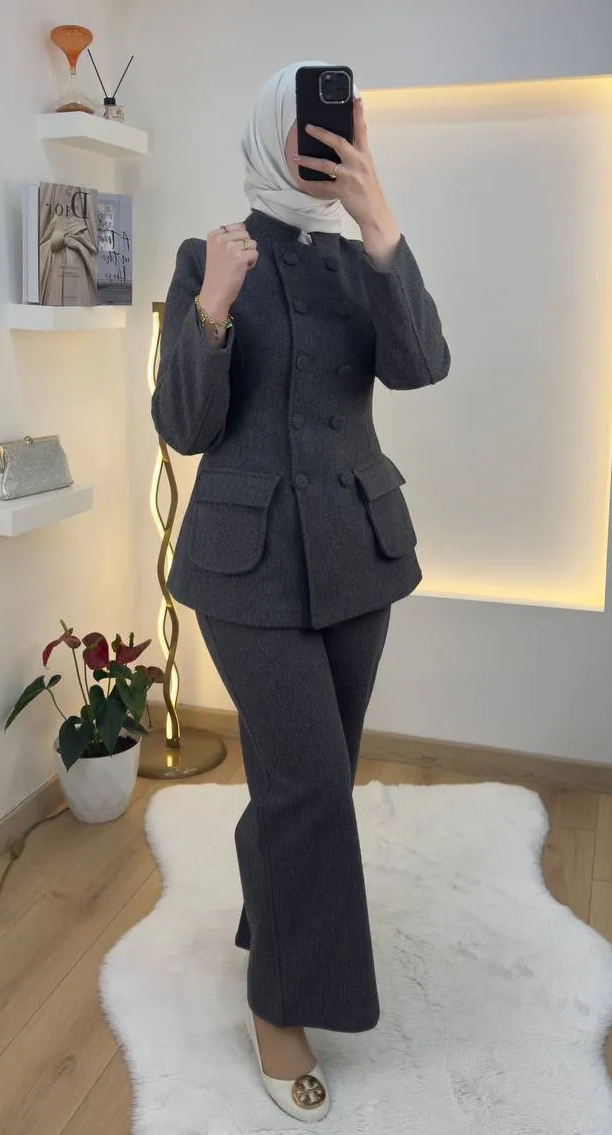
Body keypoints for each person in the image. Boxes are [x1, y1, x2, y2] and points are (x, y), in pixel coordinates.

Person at [151, 61, 450, 1123]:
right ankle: (278, 1004)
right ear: (272, 130)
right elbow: (184, 425)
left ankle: (267, 893)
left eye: (347, 123)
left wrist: (380, 225)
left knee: (314, 776)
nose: (331, 139)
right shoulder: (209, 255)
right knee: (312, 784)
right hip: (246, 566)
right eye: (314, 124)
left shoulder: (362, 255)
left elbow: (422, 364)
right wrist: (211, 311)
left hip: (359, 555)